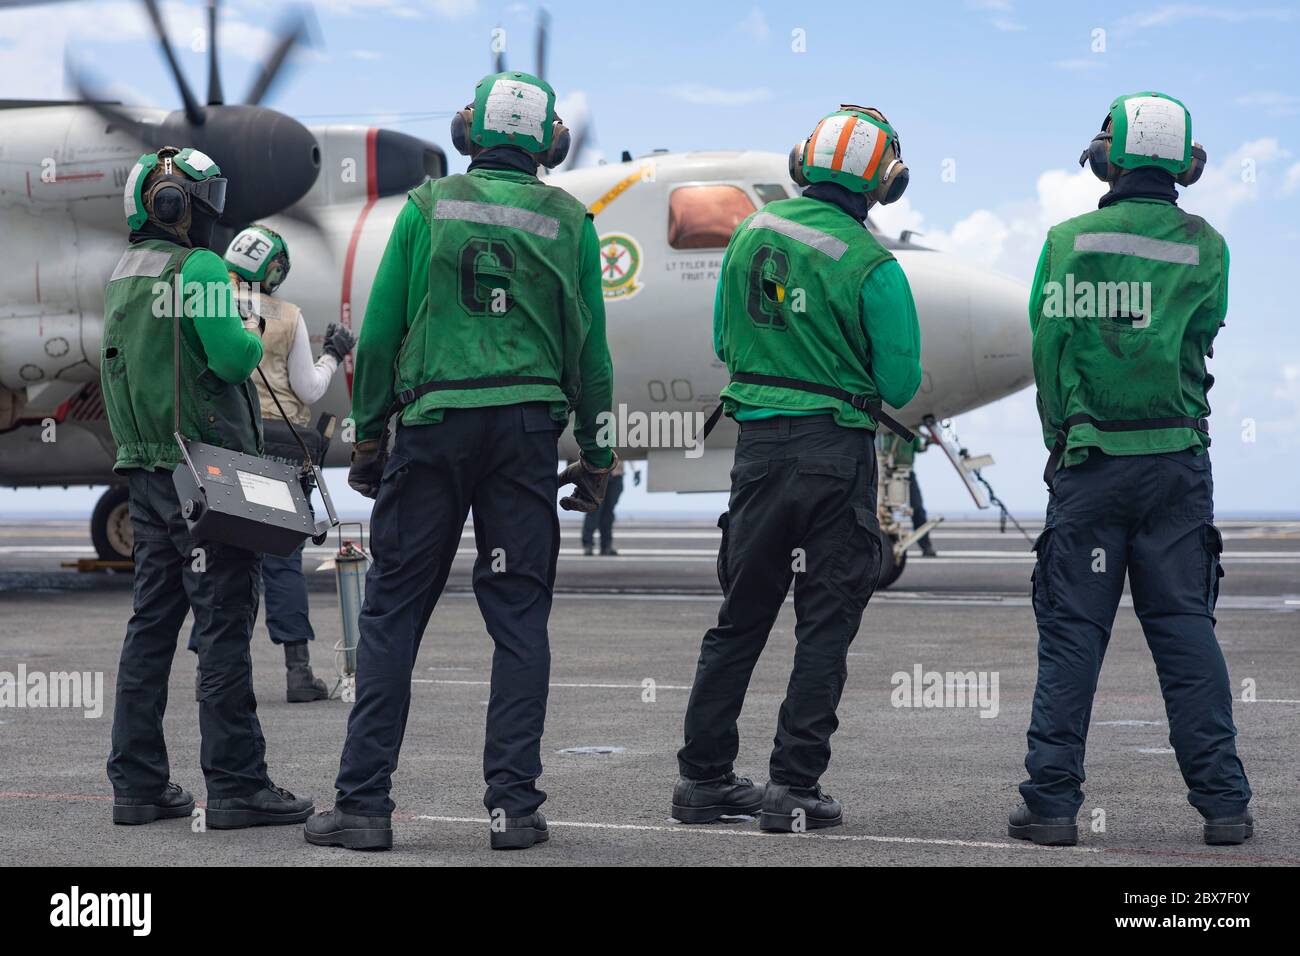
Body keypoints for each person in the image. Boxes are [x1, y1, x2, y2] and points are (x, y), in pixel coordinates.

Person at [305, 72, 615, 852]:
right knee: (518, 622)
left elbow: (376, 338)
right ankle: (514, 811)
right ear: (551, 146)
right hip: (524, 438)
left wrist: (369, 439)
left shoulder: (425, 208)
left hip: (435, 428)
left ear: (466, 133)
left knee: (393, 617)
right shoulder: (571, 220)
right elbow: (593, 356)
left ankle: (364, 807)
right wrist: (601, 454)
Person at [1010, 92, 1252, 848]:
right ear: (1187, 164)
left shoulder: (1067, 239)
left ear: (1105, 157)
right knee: (1184, 629)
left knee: (1074, 636)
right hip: (1177, 463)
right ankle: (1224, 806)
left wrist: (1063, 438)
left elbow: (1047, 348)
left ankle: (1050, 809)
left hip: (1092, 464)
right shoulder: (1207, 246)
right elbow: (1203, 333)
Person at [671, 106, 922, 832]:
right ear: (886, 184)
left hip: (758, 454)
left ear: (802, 162)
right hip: (832, 456)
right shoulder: (874, 265)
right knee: (825, 625)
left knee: (739, 620)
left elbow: (725, 338)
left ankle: (702, 782)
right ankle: (793, 788)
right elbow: (901, 385)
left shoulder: (749, 233)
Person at [102, 146, 313, 829]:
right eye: (202, 198)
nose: (211, 212)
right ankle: (237, 786)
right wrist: (252, 332)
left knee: (152, 627)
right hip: (204, 474)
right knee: (223, 625)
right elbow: (230, 357)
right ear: (172, 203)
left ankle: (137, 785)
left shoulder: (122, 277)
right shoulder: (197, 269)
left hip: (146, 470)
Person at [184, 225, 356, 703]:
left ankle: (209, 674)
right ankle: (298, 673)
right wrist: (333, 355)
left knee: (218, 562)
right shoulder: (289, 316)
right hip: (281, 454)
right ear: (275, 270)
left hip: (223, 450)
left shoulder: (207, 301)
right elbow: (310, 390)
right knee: (282, 561)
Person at [881, 432, 936, 556]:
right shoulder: (884, 430)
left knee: (918, 509)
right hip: (886, 472)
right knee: (883, 511)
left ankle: (926, 546)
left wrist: (928, 442)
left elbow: (919, 447)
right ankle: (884, 544)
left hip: (907, 473)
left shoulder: (912, 428)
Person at [581, 459, 625, 555]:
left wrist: (636, 469)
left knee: (608, 513)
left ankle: (606, 546)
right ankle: (588, 545)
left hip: (616, 473)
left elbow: (628, 451)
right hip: (596, 474)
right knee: (593, 511)